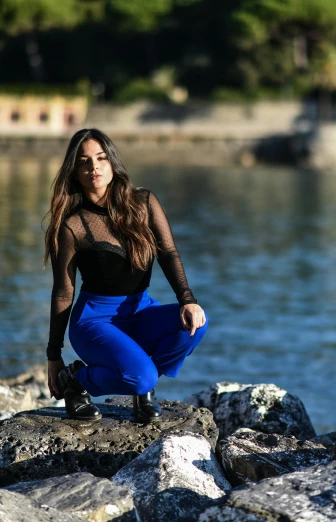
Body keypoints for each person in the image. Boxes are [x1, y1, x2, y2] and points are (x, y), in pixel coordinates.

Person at [43, 128, 208, 423]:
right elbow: (63, 292)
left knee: (195, 325)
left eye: (101, 158)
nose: (94, 167)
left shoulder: (143, 202)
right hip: (95, 321)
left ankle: (142, 384)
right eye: (84, 161)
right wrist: (54, 355)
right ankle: (78, 381)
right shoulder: (72, 227)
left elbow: (168, 253)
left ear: (112, 162)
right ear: (75, 171)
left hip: (141, 310)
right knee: (140, 376)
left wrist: (187, 299)